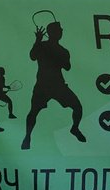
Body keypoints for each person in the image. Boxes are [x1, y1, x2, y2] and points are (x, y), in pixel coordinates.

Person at [22, 18, 84, 150]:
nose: (61, 32)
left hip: (58, 86)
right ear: (52, 32)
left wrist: (56, 56)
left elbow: (67, 67)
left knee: (78, 107)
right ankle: (27, 137)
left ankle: (75, 128)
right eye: (59, 30)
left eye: (61, 30)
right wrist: (38, 40)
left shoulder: (63, 51)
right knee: (33, 112)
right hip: (42, 86)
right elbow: (32, 56)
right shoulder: (42, 46)